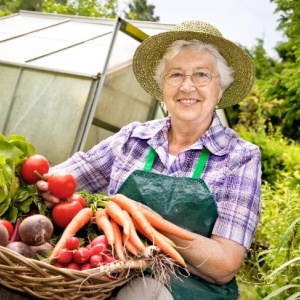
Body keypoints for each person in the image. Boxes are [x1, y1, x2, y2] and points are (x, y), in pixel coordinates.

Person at [37, 20, 261, 300]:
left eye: (202, 75)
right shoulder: (133, 137)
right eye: (175, 74)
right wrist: (46, 186)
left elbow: (224, 264)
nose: (187, 86)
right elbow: (66, 176)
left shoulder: (239, 157)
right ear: (163, 87)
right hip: (108, 270)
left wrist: (148, 222)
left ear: (221, 89)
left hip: (187, 288)